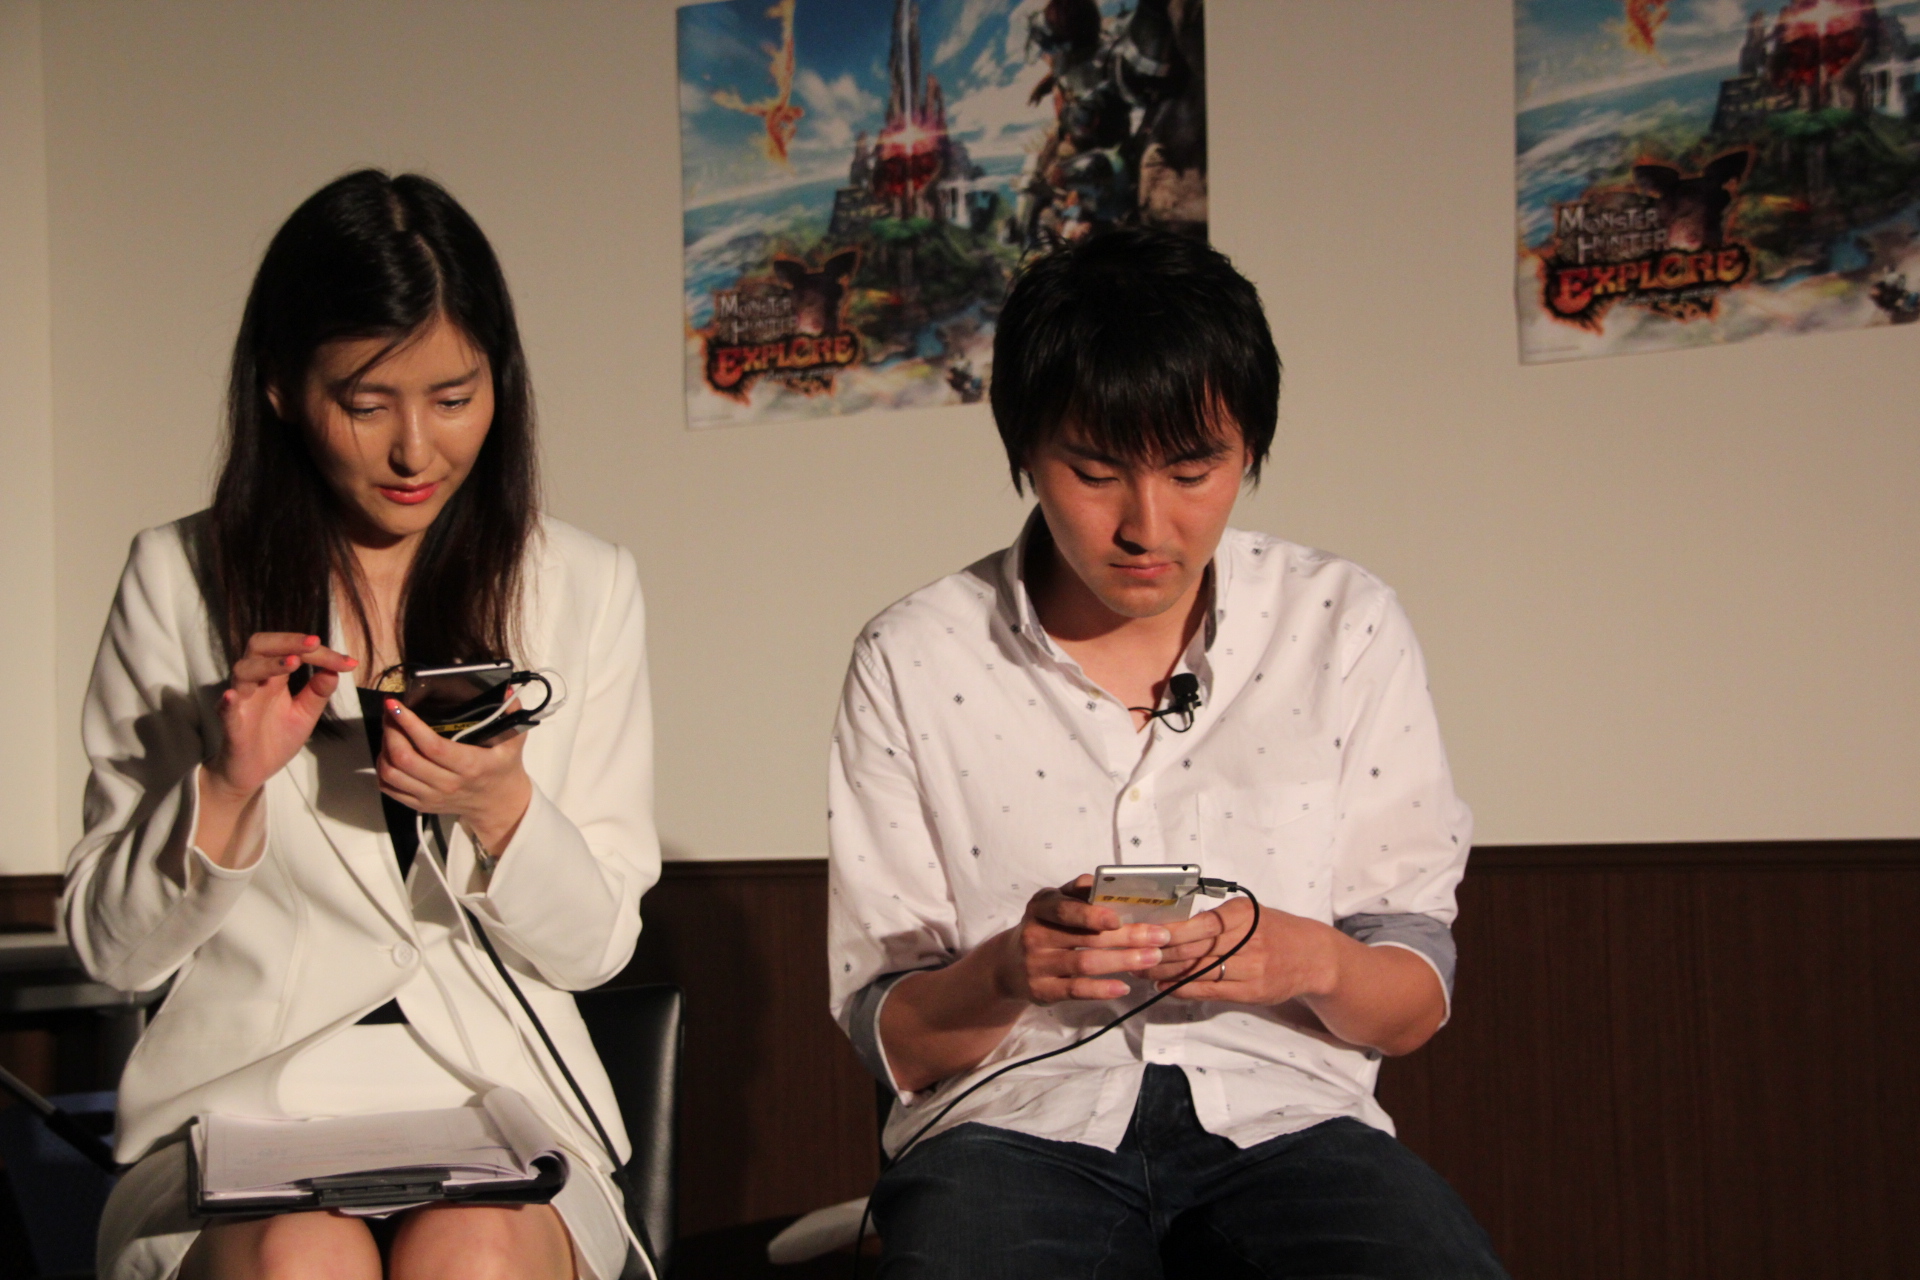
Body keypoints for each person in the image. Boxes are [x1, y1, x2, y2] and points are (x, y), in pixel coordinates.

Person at [827, 229, 1507, 1277]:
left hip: (1290, 1121)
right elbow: (898, 1037)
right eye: (1095, 472)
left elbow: (1412, 1001)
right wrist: (1008, 970)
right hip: (1011, 1125)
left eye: (1195, 471)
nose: (1148, 527)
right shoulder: (914, 655)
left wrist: (1311, 958)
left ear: (1249, 451)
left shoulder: (1343, 623)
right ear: (1024, 452)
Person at [62, 170, 659, 1280]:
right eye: (368, 403)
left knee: (477, 1249)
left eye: (454, 397)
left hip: (502, 1100)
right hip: (235, 1109)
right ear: (283, 390)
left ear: (500, 382)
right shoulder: (177, 577)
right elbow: (113, 951)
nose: (415, 450)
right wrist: (225, 787)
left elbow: (595, 948)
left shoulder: (583, 583)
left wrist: (501, 808)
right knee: (302, 1256)